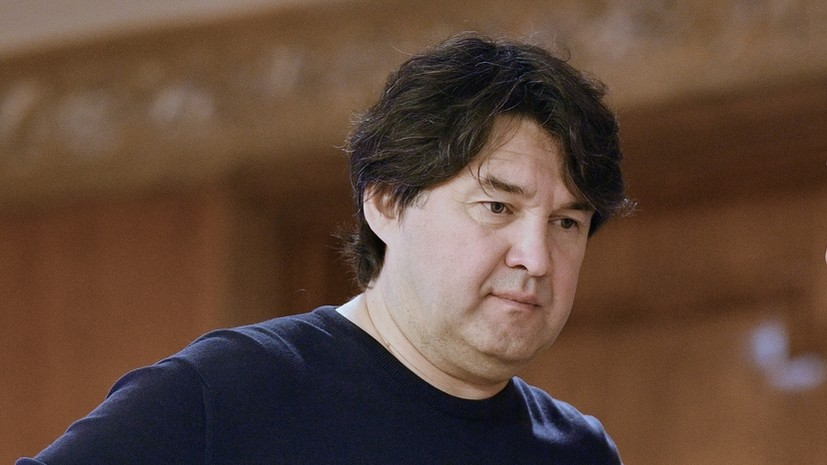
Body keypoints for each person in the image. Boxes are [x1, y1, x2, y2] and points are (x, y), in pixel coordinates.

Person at [18, 32, 633, 464]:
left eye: (566, 223)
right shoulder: (226, 395)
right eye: (497, 207)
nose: (536, 258)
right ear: (386, 203)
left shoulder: (578, 451)